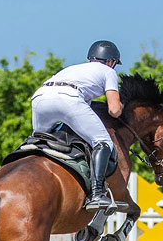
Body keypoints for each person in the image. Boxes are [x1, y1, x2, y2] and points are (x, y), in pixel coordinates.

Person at [31, 40, 123, 210]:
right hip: (68, 98)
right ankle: (96, 194)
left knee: (37, 142)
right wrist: (120, 107)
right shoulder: (108, 72)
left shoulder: (73, 69)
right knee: (103, 142)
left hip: (40, 98)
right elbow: (114, 110)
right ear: (111, 61)